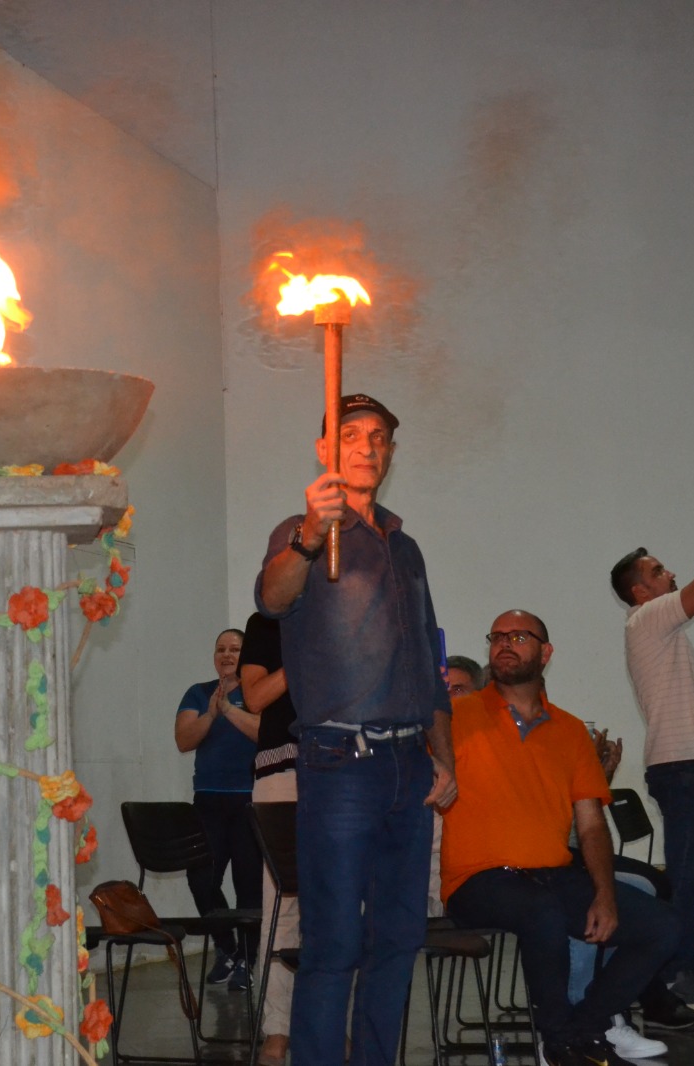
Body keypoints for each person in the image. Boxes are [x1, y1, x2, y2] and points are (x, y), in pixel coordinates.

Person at [256, 393, 456, 1066]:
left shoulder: (407, 547)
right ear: (324, 452)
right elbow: (272, 597)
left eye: (379, 437)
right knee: (335, 943)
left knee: (399, 939)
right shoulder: (303, 531)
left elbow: (430, 660)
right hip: (340, 762)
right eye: (351, 435)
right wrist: (311, 534)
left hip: (409, 766)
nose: (368, 445)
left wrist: (444, 760)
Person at [443, 610, 676, 1066]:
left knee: (663, 927)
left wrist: (605, 893)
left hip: (549, 873)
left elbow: (590, 825)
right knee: (543, 912)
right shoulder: (454, 716)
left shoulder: (569, 731)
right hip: (476, 880)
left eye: (520, 637)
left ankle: (584, 1028)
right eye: (497, 637)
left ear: (545, 653)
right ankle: (556, 1037)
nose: (505, 644)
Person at [608, 501, 694, 1007]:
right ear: (638, 592)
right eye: (658, 571)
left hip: (691, 768)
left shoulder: (659, 627)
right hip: (682, 768)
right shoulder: (646, 619)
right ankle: (674, 976)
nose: (671, 575)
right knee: (686, 876)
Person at [174, 627, 261, 991]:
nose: (227, 655)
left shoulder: (258, 694)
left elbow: (264, 733)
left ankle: (249, 959)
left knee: (249, 886)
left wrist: (229, 708)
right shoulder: (198, 692)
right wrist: (211, 712)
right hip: (208, 801)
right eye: (221, 649)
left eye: (235, 649)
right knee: (202, 879)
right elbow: (184, 740)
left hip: (249, 801)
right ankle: (227, 949)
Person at [239, 611, 297, 1066]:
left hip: (348, 776)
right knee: (283, 905)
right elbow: (255, 697)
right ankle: (277, 1031)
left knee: (343, 907)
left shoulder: (351, 610)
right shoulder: (267, 623)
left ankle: (333, 1024)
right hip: (284, 775)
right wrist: (308, 648)